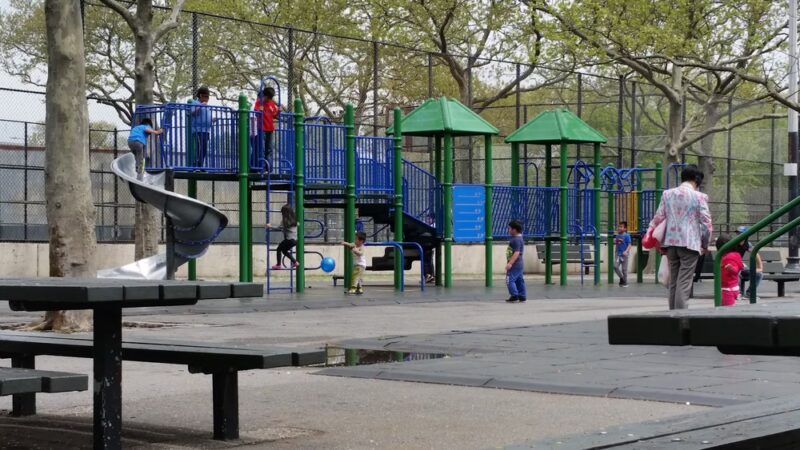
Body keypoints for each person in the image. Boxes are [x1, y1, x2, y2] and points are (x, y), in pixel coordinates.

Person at [647, 164, 713, 310]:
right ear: (696, 180)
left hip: (670, 243)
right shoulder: (699, 197)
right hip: (690, 244)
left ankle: (672, 316)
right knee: (684, 284)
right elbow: (707, 223)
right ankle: (682, 319)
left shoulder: (667, 194)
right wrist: (705, 243)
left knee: (674, 283)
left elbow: (658, 217)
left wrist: (650, 234)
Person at [253, 87, 281, 167]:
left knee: (269, 149)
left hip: (270, 129)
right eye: (267, 97)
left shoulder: (271, 103)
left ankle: (268, 168)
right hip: (262, 129)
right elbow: (255, 112)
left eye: (270, 98)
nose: (268, 99)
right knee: (261, 148)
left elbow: (275, 115)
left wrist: (279, 111)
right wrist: (259, 111)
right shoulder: (259, 103)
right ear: (264, 96)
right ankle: (261, 167)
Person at [266, 204, 298, 270]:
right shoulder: (294, 220)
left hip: (289, 240)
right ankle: (295, 262)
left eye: (282, 213)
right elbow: (297, 224)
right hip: (295, 240)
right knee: (284, 250)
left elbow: (278, 228)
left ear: (284, 213)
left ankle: (278, 265)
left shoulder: (285, 221)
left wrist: (270, 226)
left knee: (279, 249)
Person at [736, 226, 763, 300]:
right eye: (738, 234)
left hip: (740, 266)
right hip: (732, 266)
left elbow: (755, 253)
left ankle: (750, 293)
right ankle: (738, 294)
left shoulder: (747, 244)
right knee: (737, 272)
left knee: (759, 274)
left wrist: (760, 267)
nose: (739, 236)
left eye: (741, 234)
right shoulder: (733, 243)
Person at [717, 233, 744, 307]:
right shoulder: (735, 254)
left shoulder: (729, 257)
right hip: (733, 286)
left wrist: (731, 268)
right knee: (727, 308)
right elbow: (739, 267)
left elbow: (735, 270)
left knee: (727, 310)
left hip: (727, 288)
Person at [189, 86, 212, 168]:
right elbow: (193, 113)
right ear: (201, 96)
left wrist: (213, 119)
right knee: (200, 147)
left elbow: (206, 117)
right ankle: (197, 165)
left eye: (208, 97)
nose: (207, 99)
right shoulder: (195, 103)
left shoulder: (206, 106)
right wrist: (201, 106)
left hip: (206, 130)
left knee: (204, 148)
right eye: (206, 96)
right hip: (198, 130)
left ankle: (200, 165)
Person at [505, 220, 526, 303]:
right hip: (519, 263)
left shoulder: (515, 240)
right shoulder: (519, 238)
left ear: (515, 230)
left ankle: (514, 295)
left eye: (509, 229)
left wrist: (510, 263)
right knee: (519, 280)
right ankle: (522, 295)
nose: (508, 230)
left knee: (510, 279)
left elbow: (516, 252)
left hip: (515, 263)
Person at [614, 221, 632, 287]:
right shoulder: (617, 235)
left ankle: (625, 282)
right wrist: (617, 242)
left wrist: (626, 251)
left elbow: (629, 245)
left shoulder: (627, 235)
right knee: (615, 266)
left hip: (624, 255)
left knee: (624, 270)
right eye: (619, 226)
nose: (619, 228)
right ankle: (622, 278)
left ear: (625, 228)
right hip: (618, 254)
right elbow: (616, 244)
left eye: (621, 227)